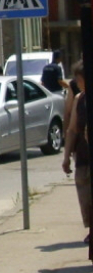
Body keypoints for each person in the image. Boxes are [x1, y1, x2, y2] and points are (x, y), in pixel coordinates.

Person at [63, 61, 90, 244]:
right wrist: (66, 158)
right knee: (86, 198)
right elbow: (72, 130)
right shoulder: (80, 99)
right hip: (83, 158)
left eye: (78, 79)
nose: (76, 82)